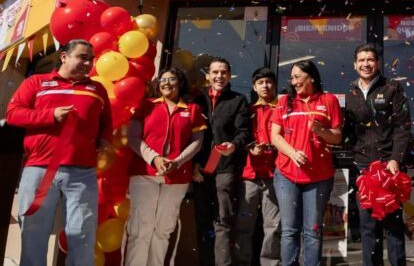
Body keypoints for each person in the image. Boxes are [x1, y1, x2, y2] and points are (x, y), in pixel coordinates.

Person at [7, 39, 112, 265]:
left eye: (91, 59)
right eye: (82, 57)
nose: (88, 63)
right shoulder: (36, 82)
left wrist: (105, 138)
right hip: (39, 169)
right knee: (34, 233)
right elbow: (13, 113)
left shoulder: (97, 89)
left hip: (82, 173)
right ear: (64, 57)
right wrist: (50, 116)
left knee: (82, 235)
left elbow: (106, 120)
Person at [124, 67, 205, 266]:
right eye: (163, 80)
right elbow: (133, 138)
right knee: (140, 228)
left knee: (163, 229)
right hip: (144, 174)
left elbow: (197, 142)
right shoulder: (146, 106)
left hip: (177, 177)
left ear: (181, 83)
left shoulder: (193, 109)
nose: (166, 83)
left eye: (172, 79)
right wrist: (154, 158)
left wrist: (177, 162)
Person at [270, 60, 343, 266]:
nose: (293, 82)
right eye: (292, 78)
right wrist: (292, 153)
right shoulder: (285, 101)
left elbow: (337, 137)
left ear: (311, 77)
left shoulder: (329, 100)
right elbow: (275, 136)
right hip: (286, 175)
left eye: (297, 77)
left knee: (313, 231)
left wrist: (321, 131)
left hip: (319, 177)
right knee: (289, 230)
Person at [344, 43, 411, 266]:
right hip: (362, 167)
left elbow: (403, 126)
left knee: (393, 225)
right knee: (367, 226)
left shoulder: (392, 87)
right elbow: (348, 130)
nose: (366, 64)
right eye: (361, 60)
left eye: (370, 60)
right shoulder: (350, 92)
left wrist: (395, 158)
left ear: (378, 63)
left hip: (388, 166)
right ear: (355, 65)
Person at [192, 57, 252, 266]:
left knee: (222, 220)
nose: (219, 76)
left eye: (224, 72)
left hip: (225, 169)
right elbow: (189, 135)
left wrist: (234, 145)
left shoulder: (238, 100)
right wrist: (193, 164)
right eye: (215, 72)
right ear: (208, 76)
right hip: (200, 170)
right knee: (203, 222)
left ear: (229, 75)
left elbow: (244, 132)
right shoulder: (197, 101)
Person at [236, 67, 282, 266]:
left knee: (274, 226)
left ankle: (270, 263)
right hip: (250, 174)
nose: (265, 86)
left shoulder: (283, 109)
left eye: (269, 82)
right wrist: (250, 147)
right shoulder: (247, 110)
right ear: (254, 87)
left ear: (275, 85)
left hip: (276, 175)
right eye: (260, 82)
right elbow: (239, 136)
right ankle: (242, 263)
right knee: (244, 226)